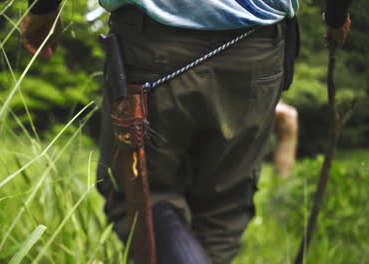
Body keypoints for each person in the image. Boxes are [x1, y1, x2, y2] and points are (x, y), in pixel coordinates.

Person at [22, 0, 352, 263]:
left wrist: (44, 9)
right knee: (223, 209)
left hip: (152, 42)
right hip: (258, 52)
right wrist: (337, 16)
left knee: (142, 196)